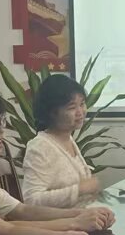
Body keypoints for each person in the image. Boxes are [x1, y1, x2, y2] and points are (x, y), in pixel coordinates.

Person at [0, 89, 115, 235]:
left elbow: (19, 211)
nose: (2, 133)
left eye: (2, 122)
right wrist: (75, 222)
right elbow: (8, 228)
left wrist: (78, 217)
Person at [22, 74, 103, 208]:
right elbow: (32, 200)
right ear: (52, 112)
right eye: (72, 107)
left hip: (83, 216)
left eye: (82, 104)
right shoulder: (40, 146)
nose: (80, 112)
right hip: (62, 221)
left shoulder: (68, 138)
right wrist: (79, 190)